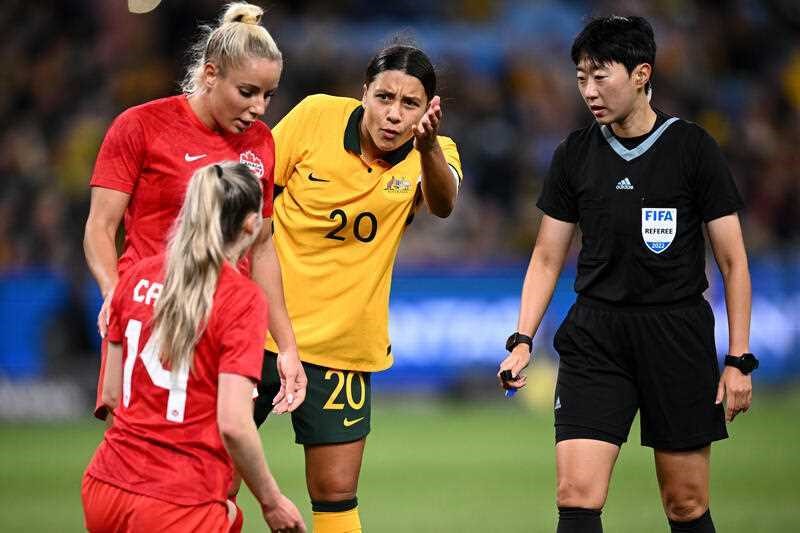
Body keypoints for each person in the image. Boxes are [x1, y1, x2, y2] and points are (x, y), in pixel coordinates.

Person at [498, 16, 754, 533]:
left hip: (675, 334)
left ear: (642, 74)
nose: (589, 91)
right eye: (580, 78)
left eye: (601, 77)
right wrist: (522, 338)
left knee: (684, 503)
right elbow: (547, 256)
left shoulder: (693, 148)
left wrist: (738, 360)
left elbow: (733, 260)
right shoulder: (574, 154)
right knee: (576, 495)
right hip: (596, 336)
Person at [252, 43, 462, 532]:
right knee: (211, 473)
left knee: (335, 494)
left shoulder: (438, 152)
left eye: (410, 104)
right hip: (257, 331)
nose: (393, 114)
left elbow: (444, 202)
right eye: (384, 96)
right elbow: (255, 195)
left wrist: (428, 146)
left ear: (429, 110)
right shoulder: (315, 116)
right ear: (363, 92)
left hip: (343, 348)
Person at [83, 0, 305, 423]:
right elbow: (99, 227)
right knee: (143, 461)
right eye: (247, 92)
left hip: (226, 323)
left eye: (268, 95)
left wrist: (287, 346)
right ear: (210, 74)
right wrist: (115, 296)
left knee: (220, 473)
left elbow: (261, 250)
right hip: (154, 317)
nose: (260, 108)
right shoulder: (140, 126)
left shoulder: (260, 143)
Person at [81, 162, 306, 532]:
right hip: (179, 498)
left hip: (106, 486)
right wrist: (272, 502)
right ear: (251, 226)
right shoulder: (241, 298)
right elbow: (234, 424)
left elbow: (111, 394)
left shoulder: (135, 277)